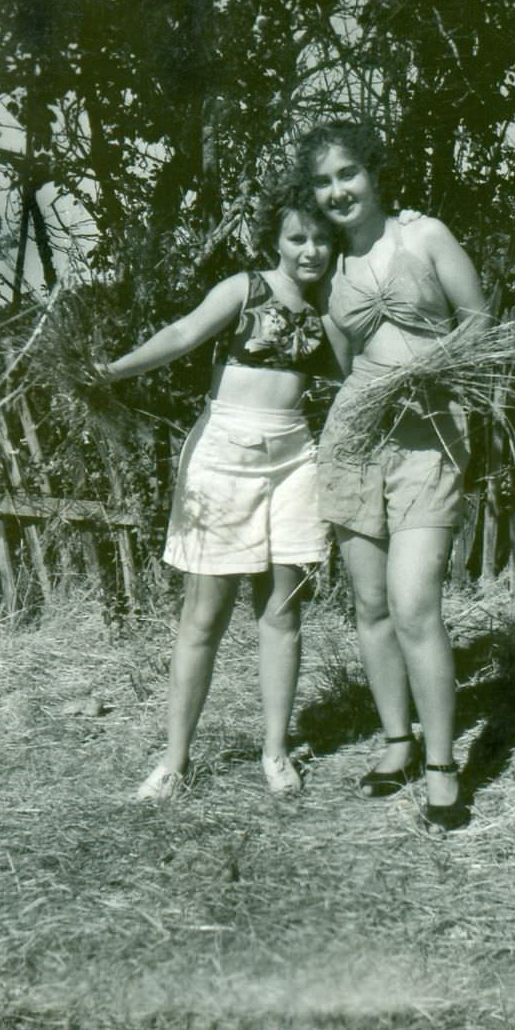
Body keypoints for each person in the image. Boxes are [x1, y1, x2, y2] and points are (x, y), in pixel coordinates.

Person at [94, 176, 350, 799]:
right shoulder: (245, 289)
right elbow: (183, 334)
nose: (309, 250)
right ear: (277, 240)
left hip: (295, 459)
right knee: (203, 617)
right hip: (223, 458)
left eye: (321, 238)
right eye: (297, 238)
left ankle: (276, 752)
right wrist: (113, 371)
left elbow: (353, 377)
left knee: (282, 613)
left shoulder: (334, 306)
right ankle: (175, 762)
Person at [295, 120, 490, 829]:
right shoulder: (332, 271)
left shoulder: (424, 236)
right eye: (323, 182)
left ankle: (443, 765)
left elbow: (477, 320)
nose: (338, 190)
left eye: (348, 173)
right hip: (355, 440)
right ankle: (397, 740)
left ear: (374, 173)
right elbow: (349, 367)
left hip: (430, 435)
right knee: (370, 606)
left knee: (414, 603)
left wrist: (432, 369)